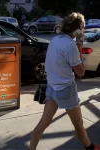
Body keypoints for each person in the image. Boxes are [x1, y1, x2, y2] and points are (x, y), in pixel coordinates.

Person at [28, 12, 100, 150]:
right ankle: (90, 147)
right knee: (78, 123)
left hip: (52, 87)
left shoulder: (55, 40)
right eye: (83, 27)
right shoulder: (70, 45)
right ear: (78, 28)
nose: (84, 30)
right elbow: (81, 72)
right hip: (66, 89)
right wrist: (79, 46)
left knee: (44, 122)